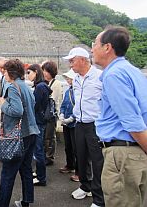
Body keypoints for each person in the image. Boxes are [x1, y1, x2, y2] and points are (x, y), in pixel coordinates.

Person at [92, 26, 147, 207]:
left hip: (123, 155)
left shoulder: (114, 75)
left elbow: (133, 122)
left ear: (107, 47)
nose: (92, 49)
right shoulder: (133, 71)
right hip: (134, 153)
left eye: (95, 44)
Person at [0, 59, 39, 207]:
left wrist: (3, 104)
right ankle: (26, 201)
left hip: (19, 136)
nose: (3, 73)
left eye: (5, 71)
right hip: (31, 132)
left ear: (10, 72)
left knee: (8, 173)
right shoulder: (25, 86)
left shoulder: (12, 87)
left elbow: (17, 111)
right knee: (25, 169)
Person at [63, 47, 105, 207]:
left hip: (95, 124)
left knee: (97, 161)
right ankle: (85, 186)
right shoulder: (77, 79)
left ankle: (99, 198)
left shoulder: (100, 77)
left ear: (82, 59)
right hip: (79, 122)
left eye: (72, 61)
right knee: (80, 157)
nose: (70, 64)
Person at [26, 64, 51, 187]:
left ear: (36, 72)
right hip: (40, 121)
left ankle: (42, 178)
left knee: (38, 150)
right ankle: (40, 174)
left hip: (38, 122)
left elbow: (35, 106)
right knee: (38, 149)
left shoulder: (40, 87)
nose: (27, 75)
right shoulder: (42, 85)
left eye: (29, 72)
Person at [58, 69, 79, 182]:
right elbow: (63, 104)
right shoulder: (68, 91)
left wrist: (71, 118)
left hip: (75, 123)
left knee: (77, 148)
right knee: (68, 146)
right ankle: (70, 165)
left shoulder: (78, 91)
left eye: (69, 78)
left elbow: (79, 107)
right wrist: (61, 114)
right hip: (67, 122)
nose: (67, 80)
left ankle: (78, 170)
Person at [41, 60, 63, 165]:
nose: (44, 73)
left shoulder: (56, 84)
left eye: (45, 71)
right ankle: (44, 155)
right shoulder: (43, 82)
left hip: (51, 114)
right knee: (44, 136)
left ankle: (49, 156)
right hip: (44, 114)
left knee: (49, 136)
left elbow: (54, 99)